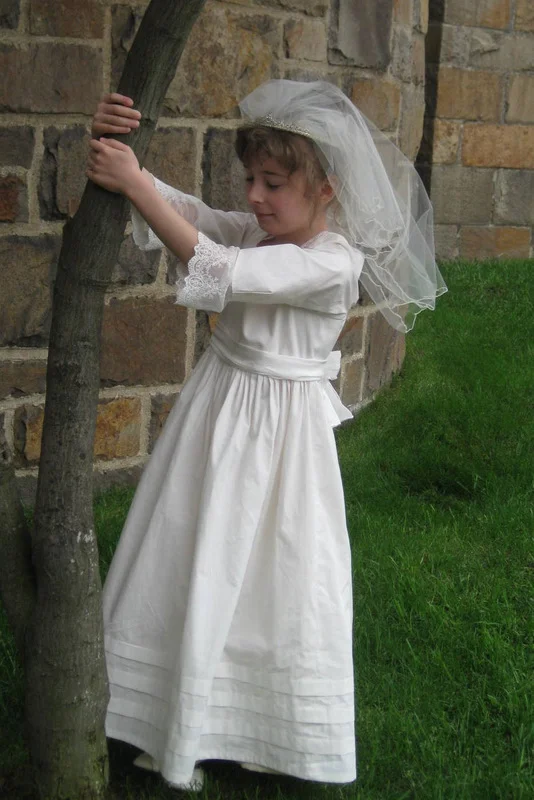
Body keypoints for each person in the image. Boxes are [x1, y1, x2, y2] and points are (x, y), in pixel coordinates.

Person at [87, 80, 446, 792]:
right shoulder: (267, 228)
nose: (253, 196)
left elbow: (218, 266)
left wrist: (137, 184)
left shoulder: (328, 261)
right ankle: (168, 701)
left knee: (269, 567)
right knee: (194, 546)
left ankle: (257, 719)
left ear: (326, 191)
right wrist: (125, 165)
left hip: (280, 437)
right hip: (219, 410)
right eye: (249, 179)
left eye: (272, 183)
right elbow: (196, 217)